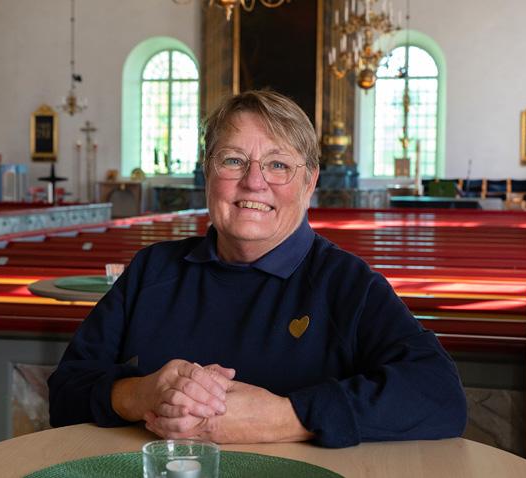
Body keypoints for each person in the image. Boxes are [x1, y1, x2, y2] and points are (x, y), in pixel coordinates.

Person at [48, 90, 467, 448]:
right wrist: (139, 394)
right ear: (207, 172)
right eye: (233, 160)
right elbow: (65, 392)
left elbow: (440, 395)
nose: (253, 182)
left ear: (309, 183)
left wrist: (284, 417)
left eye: (278, 165)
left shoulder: (345, 284)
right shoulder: (152, 269)